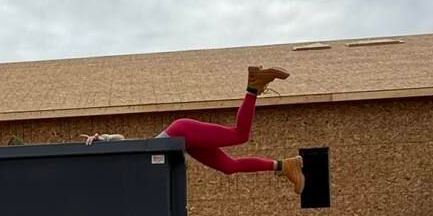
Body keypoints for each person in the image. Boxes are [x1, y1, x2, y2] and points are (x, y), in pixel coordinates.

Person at [84, 66, 305, 194]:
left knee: (240, 134)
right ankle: (284, 166)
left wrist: (100, 138)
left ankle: (253, 85)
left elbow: (119, 139)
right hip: (184, 142)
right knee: (228, 167)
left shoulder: (121, 157)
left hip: (181, 132)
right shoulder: (128, 176)